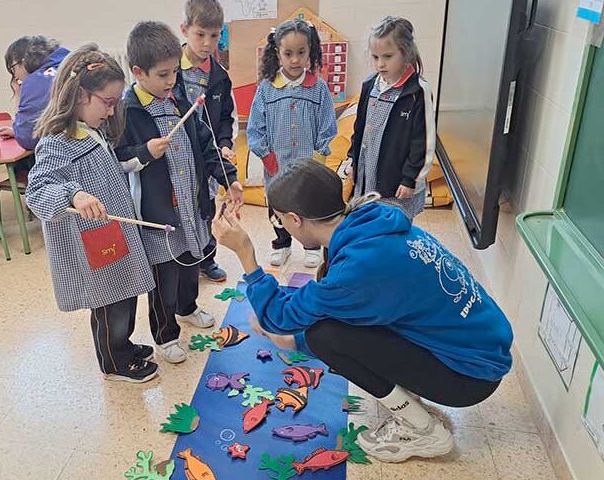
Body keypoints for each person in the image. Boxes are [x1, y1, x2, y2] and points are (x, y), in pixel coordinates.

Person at [212, 159, 513, 463]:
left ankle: (424, 431)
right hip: (485, 345)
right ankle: (418, 399)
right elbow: (344, 311)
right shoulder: (370, 218)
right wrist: (293, 341)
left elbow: (277, 318)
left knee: (322, 336)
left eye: (279, 221)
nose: (281, 225)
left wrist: (245, 253)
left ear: (295, 219)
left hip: (470, 377)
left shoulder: (356, 271)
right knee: (325, 328)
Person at [25, 45, 158, 383]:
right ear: (81, 95)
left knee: (125, 294)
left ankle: (123, 345)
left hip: (112, 234)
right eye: (108, 102)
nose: (112, 112)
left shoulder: (93, 131)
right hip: (93, 245)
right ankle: (114, 361)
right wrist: (73, 193)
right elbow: (37, 192)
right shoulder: (57, 141)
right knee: (108, 303)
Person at [115, 21, 243, 364]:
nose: (171, 80)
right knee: (164, 278)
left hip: (191, 204)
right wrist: (144, 153)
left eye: (174, 72)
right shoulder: (127, 110)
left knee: (192, 263)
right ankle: (165, 333)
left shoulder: (176, 96)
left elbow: (204, 141)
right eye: (163, 74)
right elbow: (117, 159)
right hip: (159, 215)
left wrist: (228, 177)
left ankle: (188, 308)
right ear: (138, 72)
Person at [247, 19, 337, 269]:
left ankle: (312, 245)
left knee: (309, 205)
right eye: (288, 54)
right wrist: (268, 157)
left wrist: (318, 157)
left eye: (301, 53)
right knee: (279, 207)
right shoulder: (266, 89)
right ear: (277, 53)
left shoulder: (318, 88)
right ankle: (282, 244)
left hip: (309, 164)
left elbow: (328, 124)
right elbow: (255, 128)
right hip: (277, 165)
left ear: (310, 52)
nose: (295, 60)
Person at [348, 16, 435, 220]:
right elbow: (359, 128)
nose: (380, 64)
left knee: (395, 226)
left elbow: (423, 141)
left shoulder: (417, 91)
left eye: (388, 56)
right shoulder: (370, 85)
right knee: (369, 221)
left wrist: (410, 179)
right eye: (376, 57)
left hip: (398, 183)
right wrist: (353, 160)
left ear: (406, 53)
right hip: (368, 175)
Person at [176, 0, 237, 283]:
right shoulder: (169, 70)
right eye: (200, 34)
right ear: (185, 30)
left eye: (214, 36)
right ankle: (184, 257)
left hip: (209, 156)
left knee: (207, 206)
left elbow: (225, 118)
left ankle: (206, 257)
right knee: (181, 207)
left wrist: (225, 142)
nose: (207, 43)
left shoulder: (220, 77)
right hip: (178, 156)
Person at [0, 36, 71, 177]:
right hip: (99, 146)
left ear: (22, 62)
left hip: (66, 158)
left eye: (13, 69)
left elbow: (27, 139)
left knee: (21, 165)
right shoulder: (69, 62)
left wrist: (19, 95)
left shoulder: (35, 82)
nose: (15, 76)